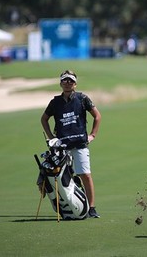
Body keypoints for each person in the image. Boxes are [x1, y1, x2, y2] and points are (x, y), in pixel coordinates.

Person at [41, 70, 102, 218]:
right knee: (62, 177)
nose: (67, 83)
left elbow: (97, 116)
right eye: (64, 80)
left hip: (80, 143)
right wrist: (51, 138)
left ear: (75, 83)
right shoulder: (55, 102)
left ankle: (91, 207)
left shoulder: (82, 98)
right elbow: (44, 119)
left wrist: (93, 135)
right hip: (62, 147)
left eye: (70, 80)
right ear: (60, 83)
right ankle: (68, 206)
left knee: (85, 175)